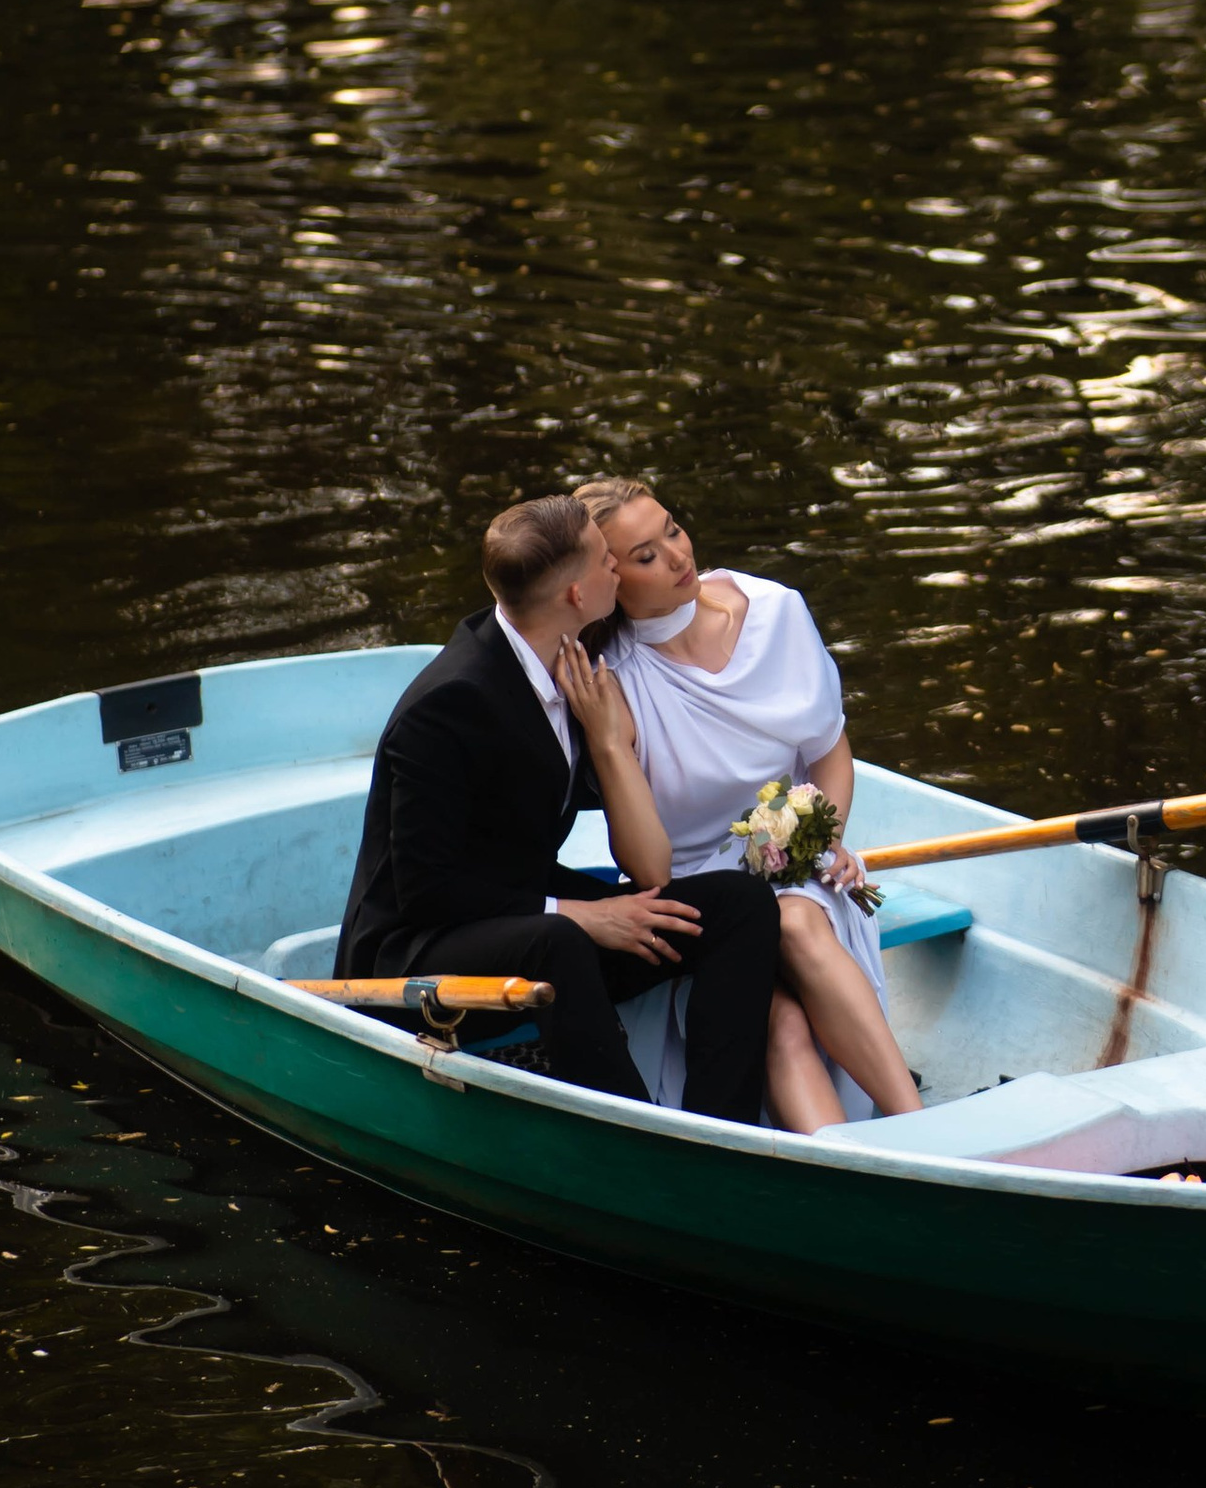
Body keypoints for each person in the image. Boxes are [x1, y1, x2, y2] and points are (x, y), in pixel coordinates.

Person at [334, 492, 782, 1119]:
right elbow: (426, 892)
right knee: (558, 941)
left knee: (734, 906)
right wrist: (577, 913)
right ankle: (637, 1139)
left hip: (523, 913)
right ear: (576, 593)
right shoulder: (447, 708)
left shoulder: (571, 658)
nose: (619, 572)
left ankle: (721, 1123)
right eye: (607, 560)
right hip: (414, 953)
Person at [572, 476, 922, 1134]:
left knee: (793, 923)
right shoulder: (611, 681)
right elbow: (650, 872)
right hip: (701, 894)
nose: (679, 556)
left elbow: (828, 748)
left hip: (789, 864)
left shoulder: (775, 611)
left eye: (672, 529)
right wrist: (609, 745)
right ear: (609, 582)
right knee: (778, 1021)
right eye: (646, 555)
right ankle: (860, 1171)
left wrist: (821, 835)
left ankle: (920, 1127)